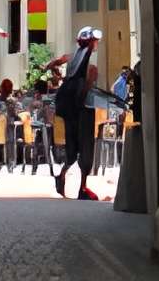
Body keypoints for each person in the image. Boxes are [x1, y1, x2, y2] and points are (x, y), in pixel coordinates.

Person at [50, 26, 103, 199]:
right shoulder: (90, 55)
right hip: (82, 106)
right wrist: (85, 93)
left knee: (72, 146)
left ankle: (62, 175)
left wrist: (57, 72)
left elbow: (55, 62)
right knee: (86, 146)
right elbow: (91, 76)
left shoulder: (74, 56)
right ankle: (83, 188)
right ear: (92, 42)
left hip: (66, 103)